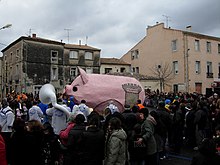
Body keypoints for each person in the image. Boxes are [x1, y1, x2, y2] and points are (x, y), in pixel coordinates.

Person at [0, 98, 15, 164]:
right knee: (7, 147)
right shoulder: (10, 112)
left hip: (1, 131)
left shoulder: (1, 110)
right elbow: (9, 124)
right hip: (7, 132)